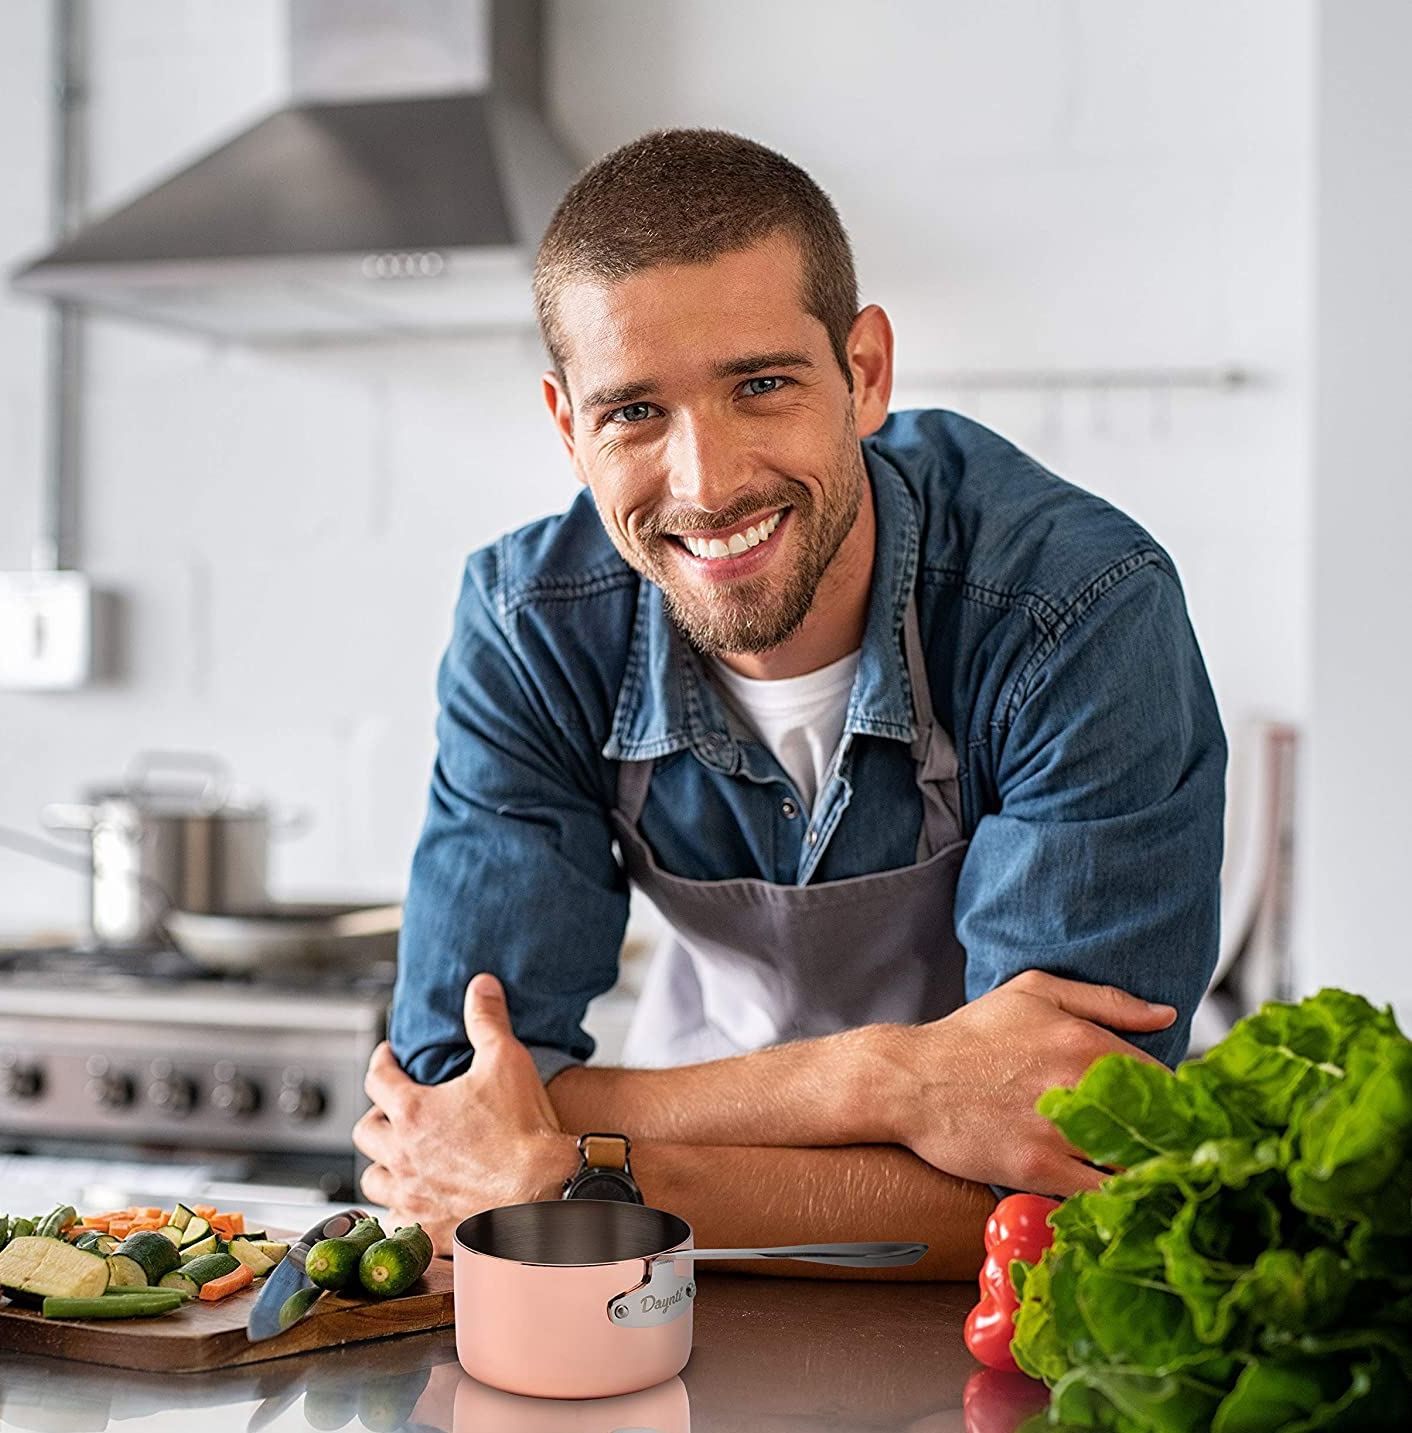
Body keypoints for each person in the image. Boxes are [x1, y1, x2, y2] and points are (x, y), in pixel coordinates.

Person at [353, 129, 1226, 1278]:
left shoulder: (1073, 608)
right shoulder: (535, 628)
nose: (706, 484)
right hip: (674, 1284)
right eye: (635, 414)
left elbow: (1063, 1167)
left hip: (1014, 1312)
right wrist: (892, 1080)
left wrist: (583, 1177)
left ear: (864, 373)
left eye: (761, 385)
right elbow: (460, 1108)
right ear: (569, 426)